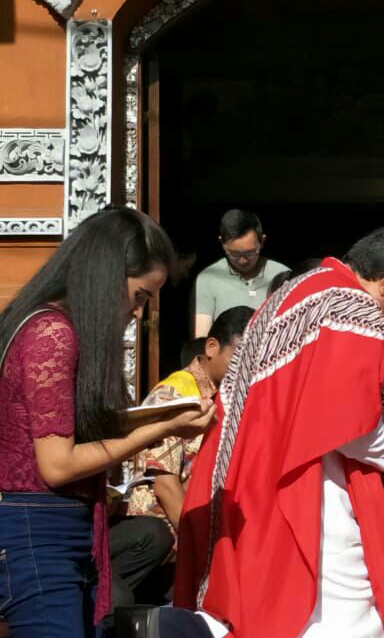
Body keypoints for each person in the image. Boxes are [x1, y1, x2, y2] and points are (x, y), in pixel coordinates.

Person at [174, 224, 384, 638]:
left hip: (243, 471)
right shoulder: (354, 309)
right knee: (343, 609)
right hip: (301, 484)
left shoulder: (298, 290)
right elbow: (346, 429)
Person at [0, 207, 215, 638]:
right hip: (36, 526)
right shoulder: (51, 334)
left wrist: (165, 417)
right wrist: (160, 430)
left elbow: (70, 425)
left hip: (58, 523)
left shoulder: (56, 328)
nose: (137, 313)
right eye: (138, 296)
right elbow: (58, 463)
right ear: (105, 276)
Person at [125, 306, 254, 544]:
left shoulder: (234, 398)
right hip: (168, 536)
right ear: (212, 347)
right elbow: (166, 488)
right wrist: (202, 552)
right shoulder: (174, 395)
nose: (247, 370)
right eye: (240, 359)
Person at [193, 209, 289, 336]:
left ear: (262, 241)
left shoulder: (282, 275)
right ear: (222, 243)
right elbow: (202, 337)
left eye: (250, 253)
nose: (243, 261)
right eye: (234, 254)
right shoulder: (208, 279)